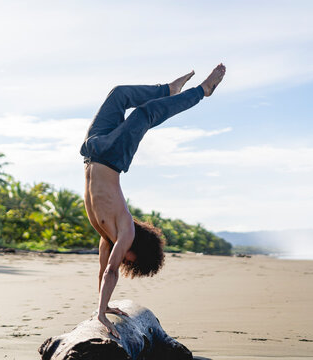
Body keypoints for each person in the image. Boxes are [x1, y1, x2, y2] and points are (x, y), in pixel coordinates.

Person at [80, 63, 226, 338]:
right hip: (110, 153)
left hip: (93, 151)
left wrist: (103, 307)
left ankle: (195, 90)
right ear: (141, 252)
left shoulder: (108, 238)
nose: (126, 261)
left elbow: (106, 271)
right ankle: (179, 90)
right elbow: (111, 271)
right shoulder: (126, 229)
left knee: (141, 112)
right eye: (132, 262)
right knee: (121, 95)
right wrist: (101, 310)